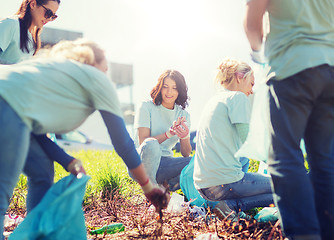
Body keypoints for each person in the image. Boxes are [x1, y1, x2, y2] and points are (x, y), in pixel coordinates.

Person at [0, 39, 169, 240]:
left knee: (41, 172)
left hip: (11, 109)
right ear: (93, 63)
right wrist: (148, 187)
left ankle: (38, 234)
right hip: (6, 106)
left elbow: (33, 132)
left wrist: (68, 161)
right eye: (105, 69)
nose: (106, 76)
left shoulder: (53, 73)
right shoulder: (97, 78)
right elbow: (123, 143)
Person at [244, 0, 334, 239]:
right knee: (325, 161)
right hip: (330, 69)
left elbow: (253, 24)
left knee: (284, 157)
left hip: (292, 67)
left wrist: (259, 56)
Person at [0, 0, 86, 214]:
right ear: (31, 4)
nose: (48, 19)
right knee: (4, 181)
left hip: (20, 115)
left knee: (43, 172)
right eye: (48, 12)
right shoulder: (10, 25)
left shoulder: (32, 40)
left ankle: (34, 231)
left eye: (53, 16)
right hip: (4, 111)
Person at [193, 58, 273, 221]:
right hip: (225, 182)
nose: (251, 90)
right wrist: (279, 164)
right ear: (239, 77)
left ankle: (228, 208)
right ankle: (231, 207)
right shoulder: (237, 98)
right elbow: (249, 141)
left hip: (204, 186)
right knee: (289, 184)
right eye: (251, 83)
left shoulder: (214, 101)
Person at [134, 70, 192, 191]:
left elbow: (186, 153)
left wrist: (184, 136)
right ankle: (151, 189)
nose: (169, 92)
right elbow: (143, 142)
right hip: (142, 163)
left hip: (165, 165)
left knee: (196, 162)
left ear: (179, 91)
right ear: (159, 87)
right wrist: (168, 134)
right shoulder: (146, 107)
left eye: (174, 88)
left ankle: (163, 190)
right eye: (165, 87)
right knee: (151, 143)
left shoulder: (183, 115)